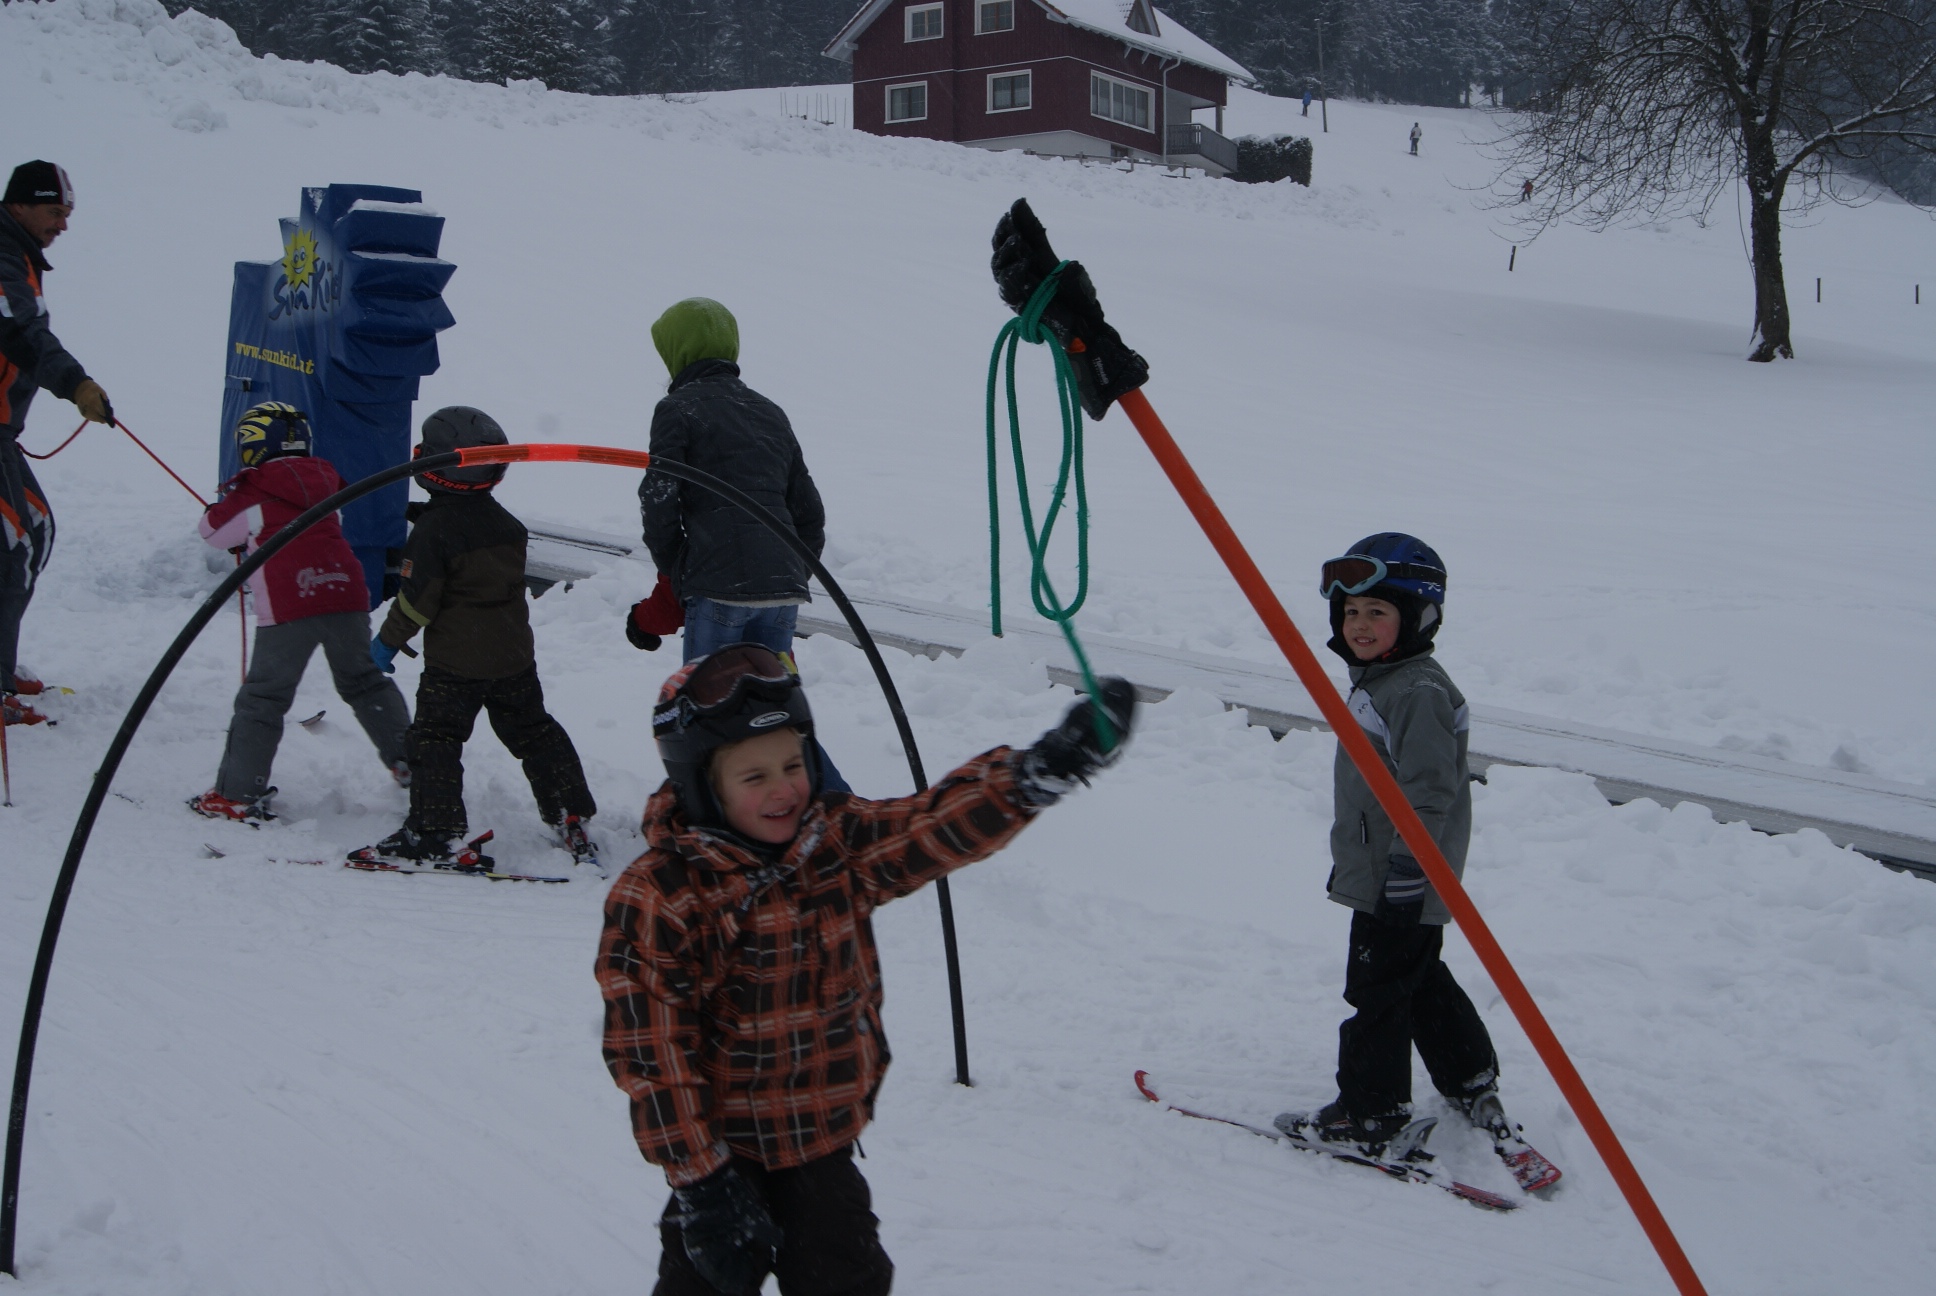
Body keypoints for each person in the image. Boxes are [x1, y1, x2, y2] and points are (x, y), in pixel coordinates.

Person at [598, 643, 1137, 1296]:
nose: (784, 789)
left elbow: (927, 828)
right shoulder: (662, 893)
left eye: (793, 764)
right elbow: (651, 1051)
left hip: (820, 1141)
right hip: (721, 1156)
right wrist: (703, 1183)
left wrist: (1035, 773)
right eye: (754, 777)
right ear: (701, 787)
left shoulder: (833, 843)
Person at [1275, 534, 1518, 1154]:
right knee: (1420, 975)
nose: (1359, 625)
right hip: (1395, 865)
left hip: (1401, 870)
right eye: (1350, 611)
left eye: (1377, 612)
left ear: (1417, 618)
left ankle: (1370, 1113)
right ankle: (1469, 1076)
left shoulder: (1415, 692)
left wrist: (1409, 868)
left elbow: (1430, 791)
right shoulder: (1386, 679)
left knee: (1377, 990)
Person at [349, 406, 598, 870]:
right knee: (534, 731)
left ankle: (434, 831)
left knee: (435, 739)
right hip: (513, 659)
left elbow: (416, 602)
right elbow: (472, 552)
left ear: (435, 466)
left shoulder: (434, 533)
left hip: (456, 667)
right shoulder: (506, 525)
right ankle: (570, 811)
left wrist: (385, 643)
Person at [634, 296, 850, 792]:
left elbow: (659, 497)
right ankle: (831, 807)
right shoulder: (769, 411)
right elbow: (810, 514)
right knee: (777, 713)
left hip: (718, 590)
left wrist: (680, 569)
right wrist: (787, 569)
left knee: (709, 717)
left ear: (676, 351)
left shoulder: (677, 408)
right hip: (781, 594)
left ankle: (714, 817)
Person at [189, 403, 410, 821]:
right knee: (364, 681)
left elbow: (213, 533)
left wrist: (221, 511)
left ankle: (237, 793)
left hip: (291, 602)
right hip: (345, 593)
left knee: (264, 697)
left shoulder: (254, 488)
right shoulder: (326, 480)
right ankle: (410, 760)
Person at [1, 160, 113, 727]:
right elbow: (19, 333)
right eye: (54, 211)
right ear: (19, 205)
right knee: (10, 544)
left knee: (35, 531)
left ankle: (2, 664)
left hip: (4, 433)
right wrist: (75, 384)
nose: (63, 225)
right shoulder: (2, 256)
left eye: (67, 214)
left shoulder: (19, 255)